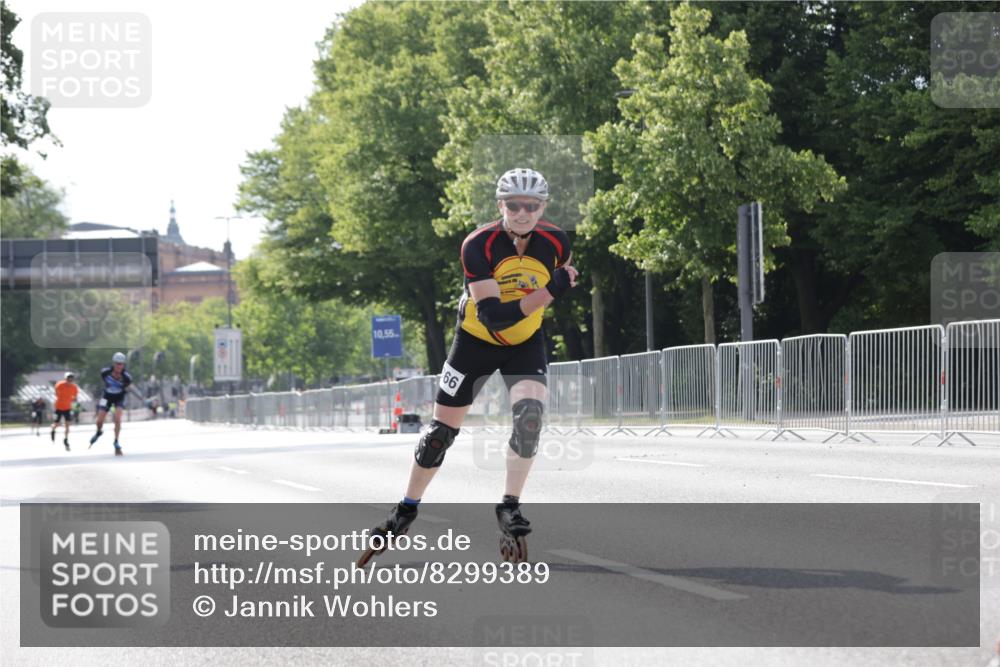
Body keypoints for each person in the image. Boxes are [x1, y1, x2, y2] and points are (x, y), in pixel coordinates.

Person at [360, 168, 578, 565]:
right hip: (476, 340)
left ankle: (509, 506)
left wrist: (552, 289)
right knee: (439, 435)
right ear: (501, 205)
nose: (523, 212)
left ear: (544, 207)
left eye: (532, 205)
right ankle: (406, 509)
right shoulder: (479, 245)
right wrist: (551, 290)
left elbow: (546, 291)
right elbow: (495, 316)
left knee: (530, 418)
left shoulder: (557, 242)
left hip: (526, 342)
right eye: (514, 204)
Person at [89, 352, 133, 456]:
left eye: (121, 364)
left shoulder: (126, 377)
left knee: (117, 418)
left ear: (124, 365)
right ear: (113, 363)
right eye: (117, 364)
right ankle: (99, 431)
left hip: (119, 397)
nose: (119, 366)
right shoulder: (105, 372)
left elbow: (127, 386)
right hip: (107, 397)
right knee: (99, 420)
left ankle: (116, 441)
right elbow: (106, 382)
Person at [51, 372, 79, 451]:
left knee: (67, 425)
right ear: (65, 378)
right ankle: (53, 431)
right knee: (56, 424)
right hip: (59, 407)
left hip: (67, 408)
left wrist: (71, 401)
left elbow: (75, 397)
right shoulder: (60, 385)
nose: (69, 380)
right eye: (68, 378)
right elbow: (56, 394)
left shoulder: (74, 387)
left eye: (71, 378)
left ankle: (66, 440)